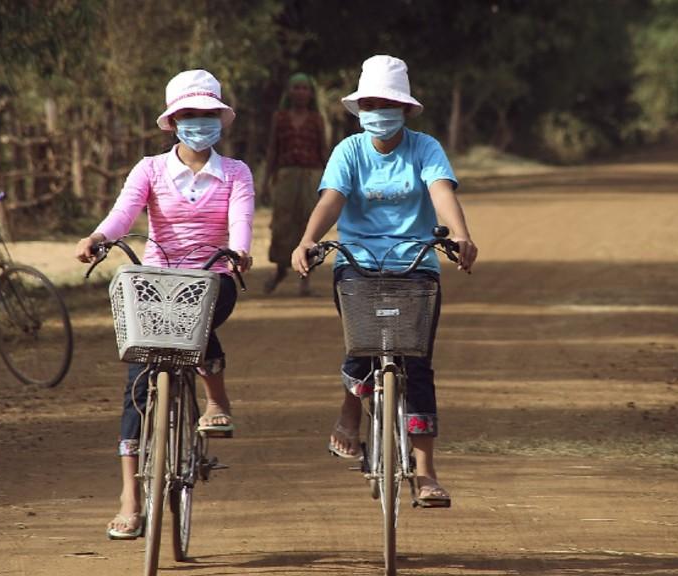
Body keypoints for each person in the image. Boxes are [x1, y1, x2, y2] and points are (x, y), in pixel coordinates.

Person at [74, 69, 255, 539]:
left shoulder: (236, 172)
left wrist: (239, 250)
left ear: (220, 119)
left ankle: (215, 399)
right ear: (173, 122)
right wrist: (98, 237)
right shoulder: (150, 169)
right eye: (188, 114)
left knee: (199, 321)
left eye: (207, 113)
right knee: (137, 381)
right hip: (155, 280)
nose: (199, 122)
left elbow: (241, 220)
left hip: (213, 276)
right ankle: (130, 498)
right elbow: (124, 213)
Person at [291, 55, 478, 507]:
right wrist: (308, 239)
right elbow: (332, 199)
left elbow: (441, 192)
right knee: (361, 348)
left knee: (418, 365)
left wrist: (460, 234)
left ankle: (426, 473)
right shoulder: (349, 151)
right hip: (356, 264)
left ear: (406, 109)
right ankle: (351, 407)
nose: (379, 111)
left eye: (388, 104)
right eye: (371, 104)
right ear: (360, 109)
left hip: (416, 265)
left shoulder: (425, 148)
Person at [261, 72, 329, 296]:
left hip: (312, 176)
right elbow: (273, 150)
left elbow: (323, 150)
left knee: (308, 225)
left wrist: (329, 183)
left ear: (311, 93)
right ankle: (280, 270)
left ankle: (305, 280)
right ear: (289, 92)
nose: (300, 92)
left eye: (304, 88)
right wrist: (265, 181)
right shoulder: (279, 118)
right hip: (286, 177)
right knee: (282, 225)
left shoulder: (317, 119)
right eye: (296, 88)